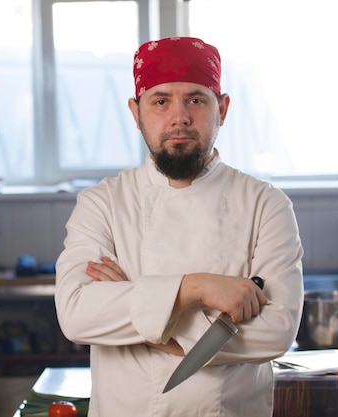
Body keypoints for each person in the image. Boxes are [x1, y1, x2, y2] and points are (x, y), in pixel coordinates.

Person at [54, 36, 304, 417]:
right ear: (135, 113)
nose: (179, 117)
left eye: (196, 100)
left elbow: (278, 330)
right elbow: (76, 314)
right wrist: (196, 287)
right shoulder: (102, 203)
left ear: (222, 108)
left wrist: (147, 315)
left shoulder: (265, 204)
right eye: (160, 101)